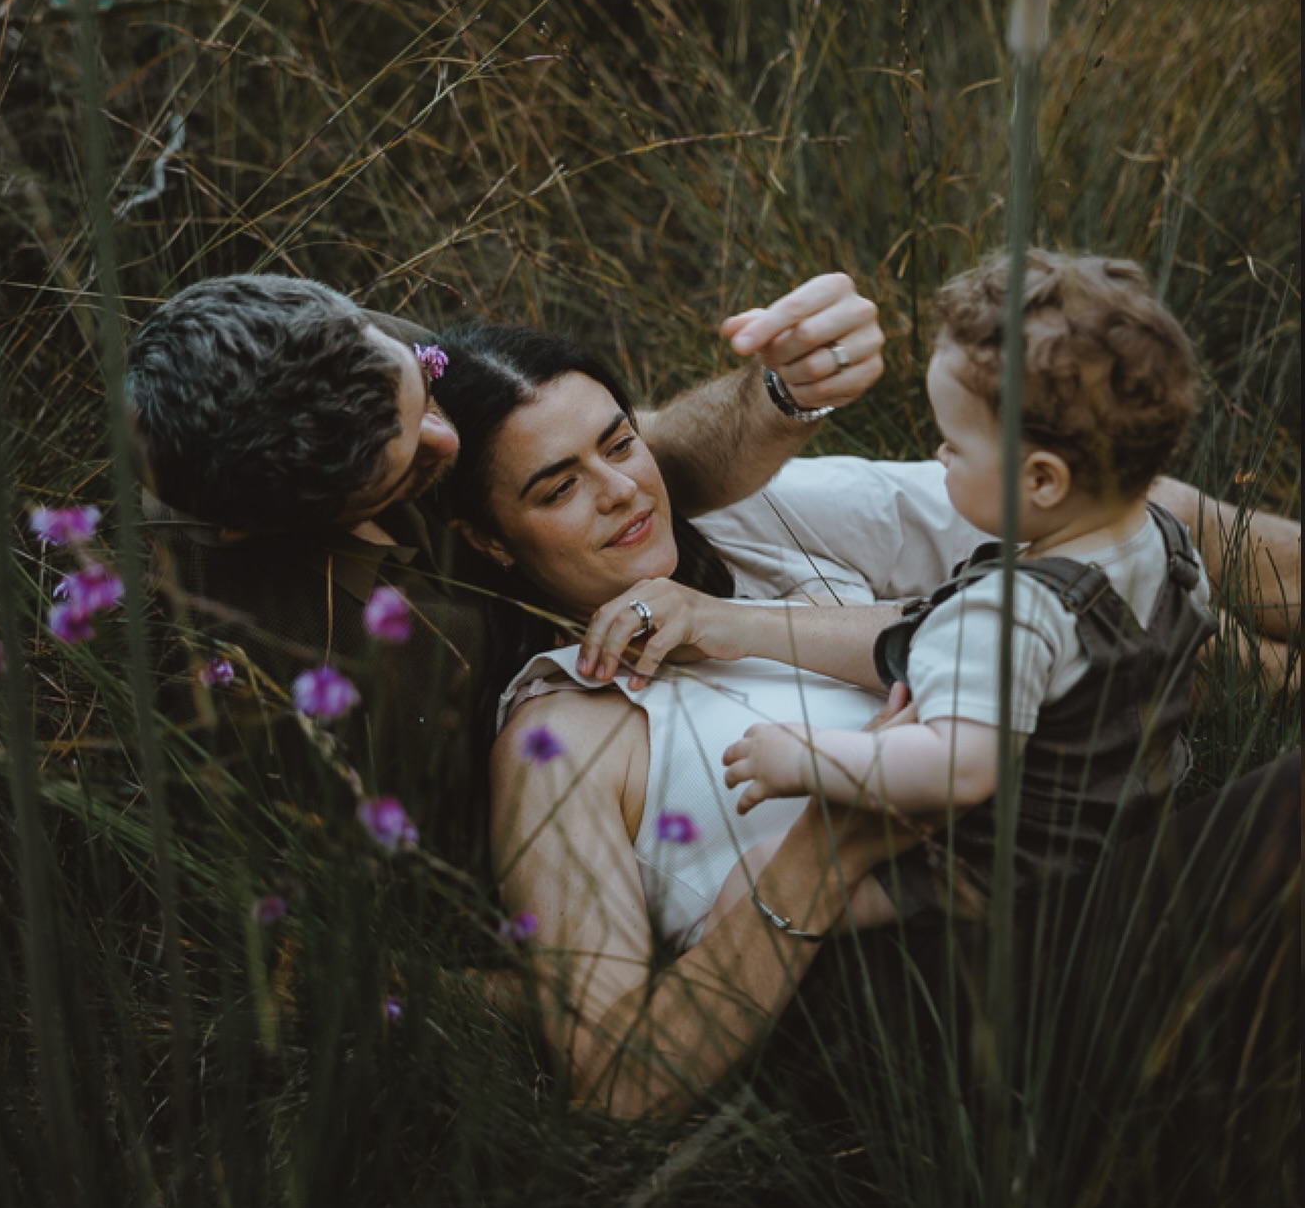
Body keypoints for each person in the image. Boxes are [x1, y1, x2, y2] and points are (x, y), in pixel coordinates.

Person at [432, 308, 1298, 1119]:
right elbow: (613, 1079)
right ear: (490, 540)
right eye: (558, 489)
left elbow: (1029, 603)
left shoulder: (749, 539)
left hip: (1070, 864)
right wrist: (827, 848)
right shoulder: (559, 737)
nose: (620, 489)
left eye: (621, 444)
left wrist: (731, 626)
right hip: (931, 987)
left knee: (1154, 526)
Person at [125, 269, 884, 845]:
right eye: (407, 474)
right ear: (270, 529)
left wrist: (782, 393)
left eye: (424, 388)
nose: (447, 443)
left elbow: (644, 456)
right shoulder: (319, 665)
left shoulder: (350, 354)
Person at [721, 251, 1219, 925]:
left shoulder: (1006, 616)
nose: (938, 456)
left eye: (955, 443)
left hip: (1011, 877)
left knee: (754, 880)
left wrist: (801, 757)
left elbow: (957, 771)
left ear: (1041, 481)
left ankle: (834, 1018)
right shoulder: (1168, 541)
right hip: (1136, 813)